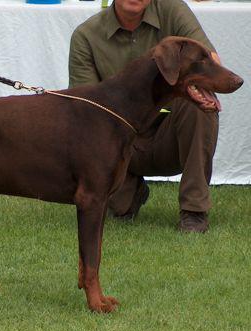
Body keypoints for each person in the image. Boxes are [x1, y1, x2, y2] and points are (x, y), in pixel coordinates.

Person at [69, 0, 221, 233]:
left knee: (197, 103)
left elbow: (210, 63)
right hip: (121, 142)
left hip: (168, 135)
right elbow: (86, 112)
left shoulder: (173, 10)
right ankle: (132, 190)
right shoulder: (85, 36)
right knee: (120, 208)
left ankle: (194, 211)